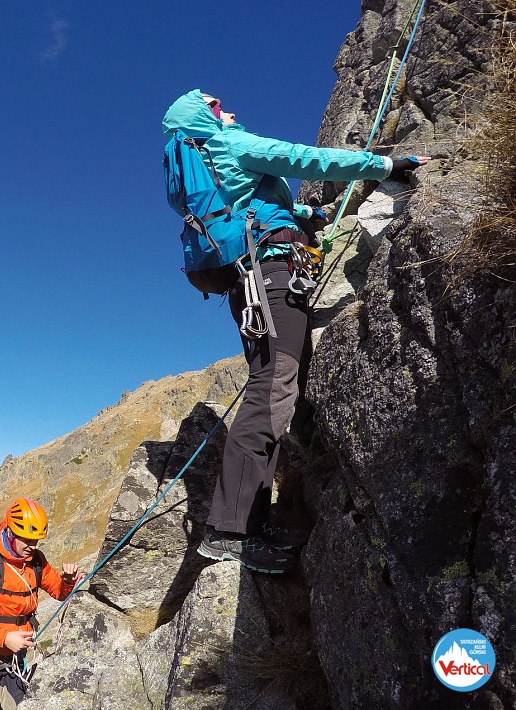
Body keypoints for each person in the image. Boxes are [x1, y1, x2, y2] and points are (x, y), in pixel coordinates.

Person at [162, 90, 430, 574]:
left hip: (251, 278)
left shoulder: (201, 157)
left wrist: (303, 216)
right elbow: (304, 158)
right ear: (205, 115)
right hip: (269, 275)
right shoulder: (226, 142)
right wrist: (384, 166)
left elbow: (245, 206)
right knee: (273, 385)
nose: (231, 109)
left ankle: (252, 523)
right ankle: (228, 531)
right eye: (219, 105)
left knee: (276, 383)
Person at [0, 498, 83, 710]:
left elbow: (59, 592)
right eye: (27, 540)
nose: (32, 546)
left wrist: (68, 580)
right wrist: (3, 637)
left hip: (18, 655)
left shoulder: (36, 561)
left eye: (36, 541)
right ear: (10, 532)